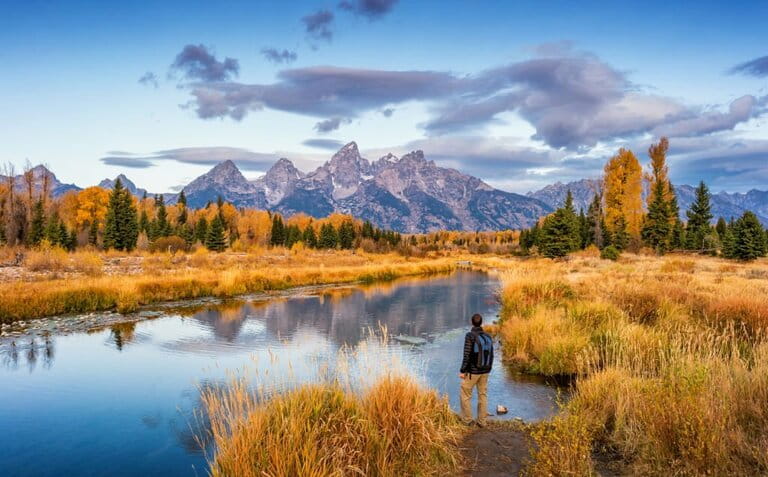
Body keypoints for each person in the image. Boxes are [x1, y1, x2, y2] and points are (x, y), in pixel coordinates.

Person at [459, 313, 494, 426]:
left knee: (465, 394)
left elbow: (467, 355)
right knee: (482, 395)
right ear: (481, 322)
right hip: (485, 371)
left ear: (472, 322)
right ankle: (482, 422)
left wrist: (463, 371)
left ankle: (468, 420)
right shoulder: (488, 336)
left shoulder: (470, 336)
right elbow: (492, 355)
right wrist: (488, 369)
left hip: (473, 372)